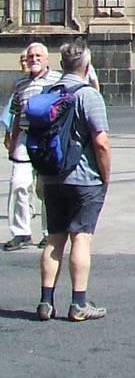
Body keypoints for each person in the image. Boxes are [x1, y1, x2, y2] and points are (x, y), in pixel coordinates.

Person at [14, 38, 111, 321]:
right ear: (88, 67)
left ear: (61, 64)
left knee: (54, 239)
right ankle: (78, 303)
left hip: (51, 176)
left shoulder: (48, 92)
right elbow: (101, 142)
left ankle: (45, 302)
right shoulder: (88, 95)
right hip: (83, 178)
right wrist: (106, 176)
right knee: (81, 238)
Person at [3, 44, 54, 252]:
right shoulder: (21, 84)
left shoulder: (57, 80)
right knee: (19, 184)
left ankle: (49, 232)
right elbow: (16, 114)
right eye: (31, 56)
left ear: (46, 59)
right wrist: (13, 141)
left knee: (46, 187)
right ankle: (21, 232)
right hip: (25, 138)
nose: (34, 59)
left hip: (48, 139)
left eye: (38, 56)